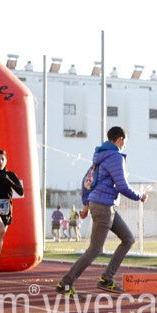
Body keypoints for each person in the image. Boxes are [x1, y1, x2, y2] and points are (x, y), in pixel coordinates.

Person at [55, 126, 147, 296]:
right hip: (104, 206)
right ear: (120, 139)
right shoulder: (115, 157)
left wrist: (86, 204)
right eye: (125, 142)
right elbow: (122, 186)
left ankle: (106, 279)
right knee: (95, 249)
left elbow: (86, 181)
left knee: (128, 239)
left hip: (103, 205)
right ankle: (65, 284)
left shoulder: (99, 157)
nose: (125, 145)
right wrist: (139, 196)